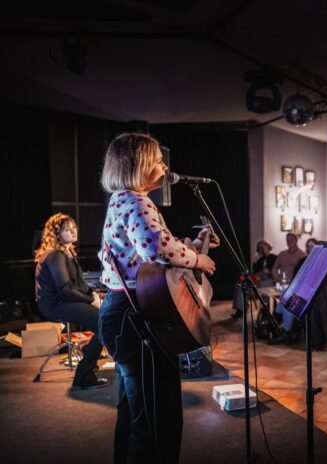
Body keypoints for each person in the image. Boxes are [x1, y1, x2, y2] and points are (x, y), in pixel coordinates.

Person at [97, 132, 218, 463]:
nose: (165, 167)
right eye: (158, 160)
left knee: (137, 413)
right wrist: (198, 260)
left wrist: (193, 246)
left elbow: (151, 251)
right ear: (139, 165)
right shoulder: (137, 202)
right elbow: (156, 249)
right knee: (156, 418)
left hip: (123, 313)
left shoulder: (122, 200)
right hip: (136, 316)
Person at [34, 213, 108, 390]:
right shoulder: (55, 255)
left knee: (105, 321)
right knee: (104, 323)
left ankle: (88, 351)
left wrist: (94, 296)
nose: (73, 231)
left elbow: (80, 283)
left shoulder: (68, 253)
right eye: (67, 229)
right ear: (56, 233)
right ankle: (84, 375)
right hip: (55, 304)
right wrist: (91, 300)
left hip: (65, 300)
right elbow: (65, 289)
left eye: (74, 227)